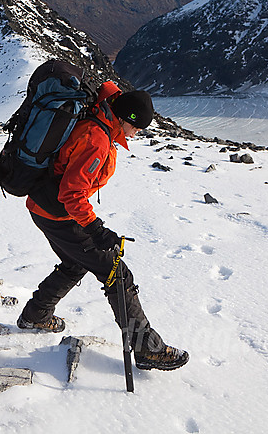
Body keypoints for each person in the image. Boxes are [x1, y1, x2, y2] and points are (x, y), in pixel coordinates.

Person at [17, 83, 189, 371]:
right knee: (116, 273)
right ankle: (148, 349)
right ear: (125, 120)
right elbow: (71, 194)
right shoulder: (96, 138)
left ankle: (36, 315)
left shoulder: (103, 116)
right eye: (138, 128)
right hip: (58, 214)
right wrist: (96, 229)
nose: (137, 135)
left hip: (43, 207)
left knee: (75, 263)